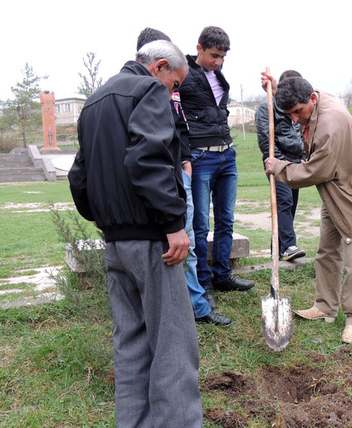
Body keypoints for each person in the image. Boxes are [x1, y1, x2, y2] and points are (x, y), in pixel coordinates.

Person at [68, 40, 203, 427]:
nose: (172, 93)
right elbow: (148, 158)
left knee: (130, 342)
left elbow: (80, 174)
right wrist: (174, 225)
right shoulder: (148, 91)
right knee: (173, 344)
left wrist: (102, 218)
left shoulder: (94, 101)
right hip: (153, 242)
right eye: (174, 84)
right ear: (159, 67)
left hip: (115, 243)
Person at [264, 77, 352, 344]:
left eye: (298, 112)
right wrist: (276, 87)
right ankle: (326, 305)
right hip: (334, 189)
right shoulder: (312, 97)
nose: (294, 119)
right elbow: (296, 87)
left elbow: (316, 171)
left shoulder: (331, 125)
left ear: (313, 100)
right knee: (327, 250)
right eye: (289, 114)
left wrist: (279, 167)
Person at [136, 27, 231, 326]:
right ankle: (188, 305)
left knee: (188, 235)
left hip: (183, 165)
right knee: (182, 235)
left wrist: (186, 158)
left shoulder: (168, 86)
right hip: (161, 173)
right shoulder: (141, 91)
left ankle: (196, 301)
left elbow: (178, 124)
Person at [178, 26, 254, 298]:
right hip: (201, 157)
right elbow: (176, 118)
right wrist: (185, 155)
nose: (218, 61)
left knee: (226, 220)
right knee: (200, 225)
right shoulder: (184, 75)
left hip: (227, 155)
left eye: (222, 57)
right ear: (199, 48)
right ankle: (204, 284)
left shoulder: (218, 76)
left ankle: (222, 275)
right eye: (213, 55)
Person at [256, 70, 306, 261]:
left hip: (296, 163)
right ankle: (289, 246)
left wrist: (302, 157)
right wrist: (279, 162)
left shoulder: (298, 110)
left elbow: (300, 136)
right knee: (284, 201)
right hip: (276, 162)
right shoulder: (266, 108)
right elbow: (264, 140)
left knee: (289, 207)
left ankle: (277, 250)